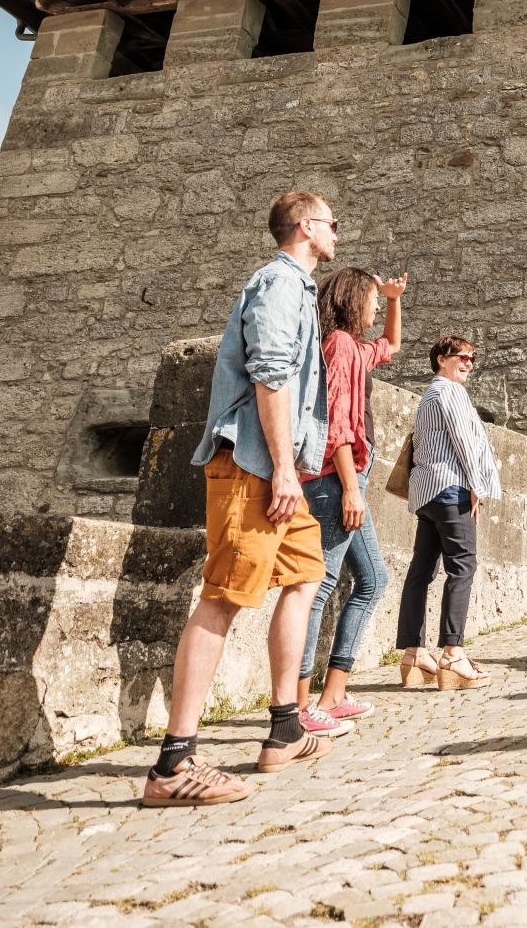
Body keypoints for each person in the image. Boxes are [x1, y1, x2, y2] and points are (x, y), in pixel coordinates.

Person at [144, 190, 343, 806]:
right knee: (224, 598)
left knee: (306, 576)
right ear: (307, 227)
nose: (338, 231)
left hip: (280, 471)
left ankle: (284, 729)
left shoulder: (300, 289)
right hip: (254, 466)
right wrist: (284, 467)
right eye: (332, 223)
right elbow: (271, 374)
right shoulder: (279, 285)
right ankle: (172, 765)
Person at [296, 266, 407, 732]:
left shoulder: (353, 348)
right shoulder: (339, 346)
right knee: (318, 587)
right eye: (373, 299)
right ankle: (298, 707)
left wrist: (395, 297)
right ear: (350, 300)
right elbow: (338, 425)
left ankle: (334, 693)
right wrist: (348, 489)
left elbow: (392, 346)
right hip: (333, 478)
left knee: (372, 580)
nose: (377, 307)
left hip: (347, 477)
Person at [394, 336, 502, 691]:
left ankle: (413, 654)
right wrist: (476, 486)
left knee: (421, 570)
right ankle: (453, 653)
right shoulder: (449, 391)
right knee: (463, 566)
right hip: (452, 487)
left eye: (473, 358)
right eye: (463, 357)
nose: (470, 363)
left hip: (427, 492)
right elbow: (463, 441)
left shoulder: (429, 395)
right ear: (442, 360)